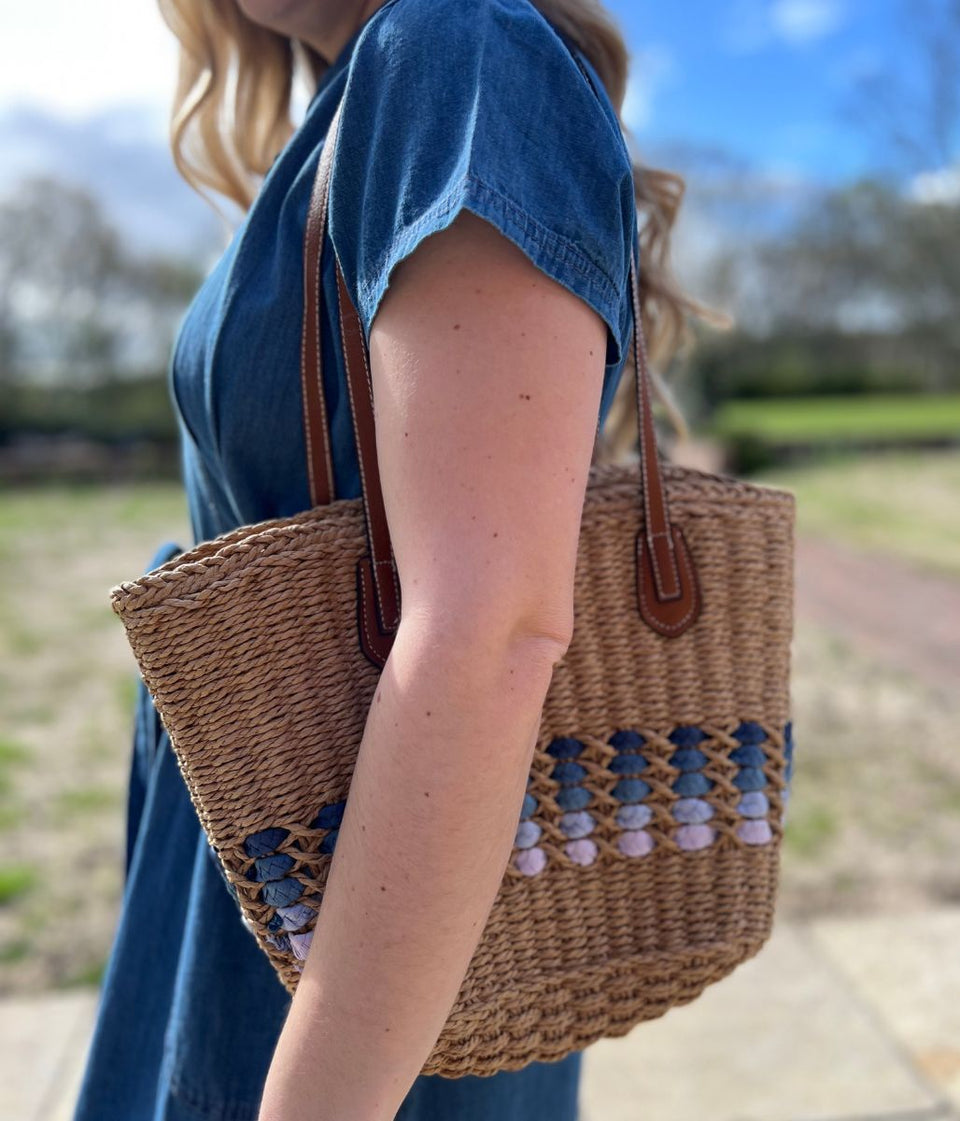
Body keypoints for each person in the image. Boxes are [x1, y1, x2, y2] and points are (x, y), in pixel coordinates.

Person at [72, 0, 702, 1118]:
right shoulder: (371, 89)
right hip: (290, 864)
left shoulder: (458, 51)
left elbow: (488, 629)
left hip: (366, 904)